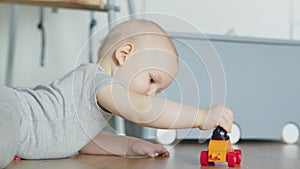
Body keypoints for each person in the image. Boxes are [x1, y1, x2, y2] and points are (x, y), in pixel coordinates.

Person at [0, 19, 233, 168]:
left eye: (158, 90)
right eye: (152, 80)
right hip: (11, 106)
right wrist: (200, 117)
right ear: (124, 55)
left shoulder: (95, 104)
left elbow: (83, 141)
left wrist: (131, 146)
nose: (151, 94)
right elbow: (140, 110)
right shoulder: (96, 79)